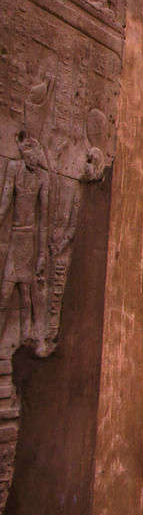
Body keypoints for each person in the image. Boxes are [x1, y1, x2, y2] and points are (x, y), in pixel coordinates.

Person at [0, 132, 50, 352]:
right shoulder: (14, 169)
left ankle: (24, 342)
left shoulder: (42, 179)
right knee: (5, 292)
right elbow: (4, 205)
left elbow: (43, 221)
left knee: (25, 297)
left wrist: (41, 256)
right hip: (16, 237)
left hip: (29, 241)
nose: (32, 158)